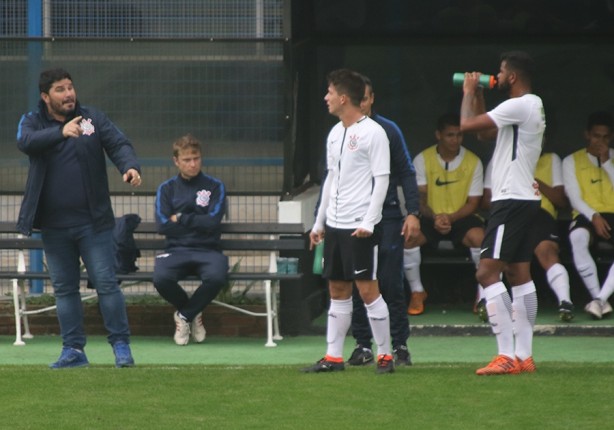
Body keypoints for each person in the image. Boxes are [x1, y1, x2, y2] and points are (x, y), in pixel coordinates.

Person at [16, 68, 141, 368]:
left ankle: (121, 347)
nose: (69, 93)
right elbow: (26, 141)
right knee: (64, 289)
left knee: (106, 284)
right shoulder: (31, 122)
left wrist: (130, 166)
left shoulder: (92, 120)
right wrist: (61, 132)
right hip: (54, 226)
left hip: (94, 223)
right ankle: (73, 350)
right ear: (46, 97)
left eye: (70, 87)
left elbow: (119, 144)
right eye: (60, 89)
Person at [302, 69, 393, 374]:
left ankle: (385, 354)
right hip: (336, 226)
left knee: (368, 290)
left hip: (360, 226)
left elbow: (382, 180)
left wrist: (369, 221)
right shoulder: (335, 133)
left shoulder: (374, 133)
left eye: (329, 93)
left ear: (343, 98)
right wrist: (319, 223)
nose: (325, 98)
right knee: (337, 290)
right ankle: (333, 357)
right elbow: (332, 179)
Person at [460, 51, 545, 375]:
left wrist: (469, 90)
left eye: (500, 71)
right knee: (518, 274)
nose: (496, 74)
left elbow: (468, 125)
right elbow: (485, 132)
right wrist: (480, 94)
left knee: (486, 273)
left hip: (510, 201)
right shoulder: (529, 106)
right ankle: (523, 356)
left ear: (511, 77)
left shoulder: (519, 104)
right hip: (523, 199)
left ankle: (506, 354)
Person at [346, 75, 420, 368]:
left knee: (390, 281)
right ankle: (362, 345)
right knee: (358, 282)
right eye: (357, 99)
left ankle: (399, 345)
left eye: (365, 98)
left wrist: (412, 212)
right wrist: (321, 219)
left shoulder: (388, 130)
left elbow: (407, 172)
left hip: (387, 215)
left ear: (372, 98)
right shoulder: (343, 132)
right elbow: (333, 179)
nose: (361, 104)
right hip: (353, 216)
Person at [403, 113, 485, 317]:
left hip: (461, 218)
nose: (455, 140)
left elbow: (473, 203)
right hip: (430, 217)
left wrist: (450, 219)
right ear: (438, 135)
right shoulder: (422, 159)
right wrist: (436, 217)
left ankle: (483, 294)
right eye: (450, 135)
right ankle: (417, 291)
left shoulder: (473, 162)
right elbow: (420, 199)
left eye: (459, 135)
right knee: (408, 237)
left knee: (481, 239)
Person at [153, 134, 228, 345]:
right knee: (161, 278)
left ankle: (184, 316)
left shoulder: (215, 186)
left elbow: (213, 223)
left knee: (216, 277)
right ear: (176, 161)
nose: (192, 164)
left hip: (208, 250)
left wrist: (182, 218)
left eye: (196, 158)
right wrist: (198, 224)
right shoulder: (166, 189)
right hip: (176, 250)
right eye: (186, 160)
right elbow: (163, 225)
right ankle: (194, 313)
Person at [483, 152, 575, 322]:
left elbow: (561, 201)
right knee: (499, 259)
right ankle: (487, 302)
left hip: (541, 213)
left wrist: (533, 181)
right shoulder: (499, 158)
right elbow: (486, 199)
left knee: (546, 251)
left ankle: (565, 302)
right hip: (508, 212)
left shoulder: (551, 159)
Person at [562, 111, 614, 319]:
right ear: (587, 135)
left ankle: (600, 299)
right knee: (577, 238)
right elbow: (574, 198)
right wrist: (593, 215)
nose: (599, 141)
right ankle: (598, 298)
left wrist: (607, 162)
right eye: (595, 136)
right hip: (586, 214)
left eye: (605, 137)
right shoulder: (571, 161)